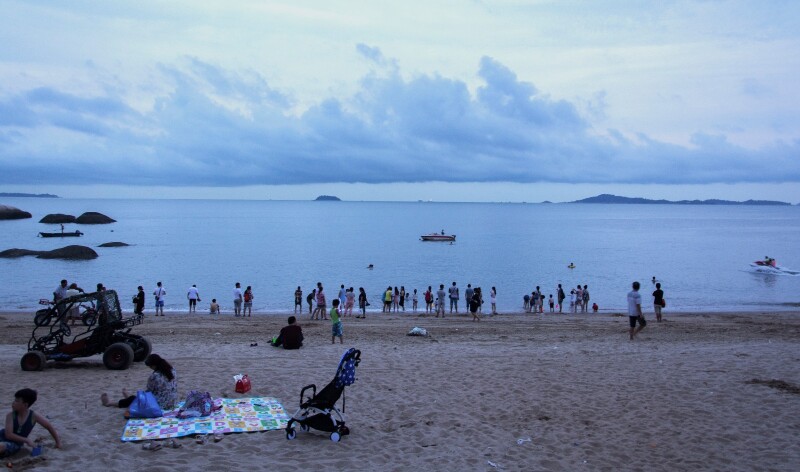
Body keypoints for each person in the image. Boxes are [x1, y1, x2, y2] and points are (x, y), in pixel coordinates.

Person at [101, 354, 178, 411]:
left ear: (154, 365)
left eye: (150, 366)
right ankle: (129, 397)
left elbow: (149, 392)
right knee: (135, 399)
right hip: (172, 402)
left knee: (134, 399)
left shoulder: (155, 376)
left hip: (160, 405)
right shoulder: (172, 370)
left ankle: (109, 403)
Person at [0, 388, 62, 458]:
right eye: (14, 400)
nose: (13, 403)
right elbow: (8, 434)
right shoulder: (10, 415)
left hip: (14, 444)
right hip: (1, 437)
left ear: (25, 405)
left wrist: (58, 442)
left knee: (1, 446)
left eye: (17, 401)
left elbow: (49, 426)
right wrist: (27, 440)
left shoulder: (33, 416)